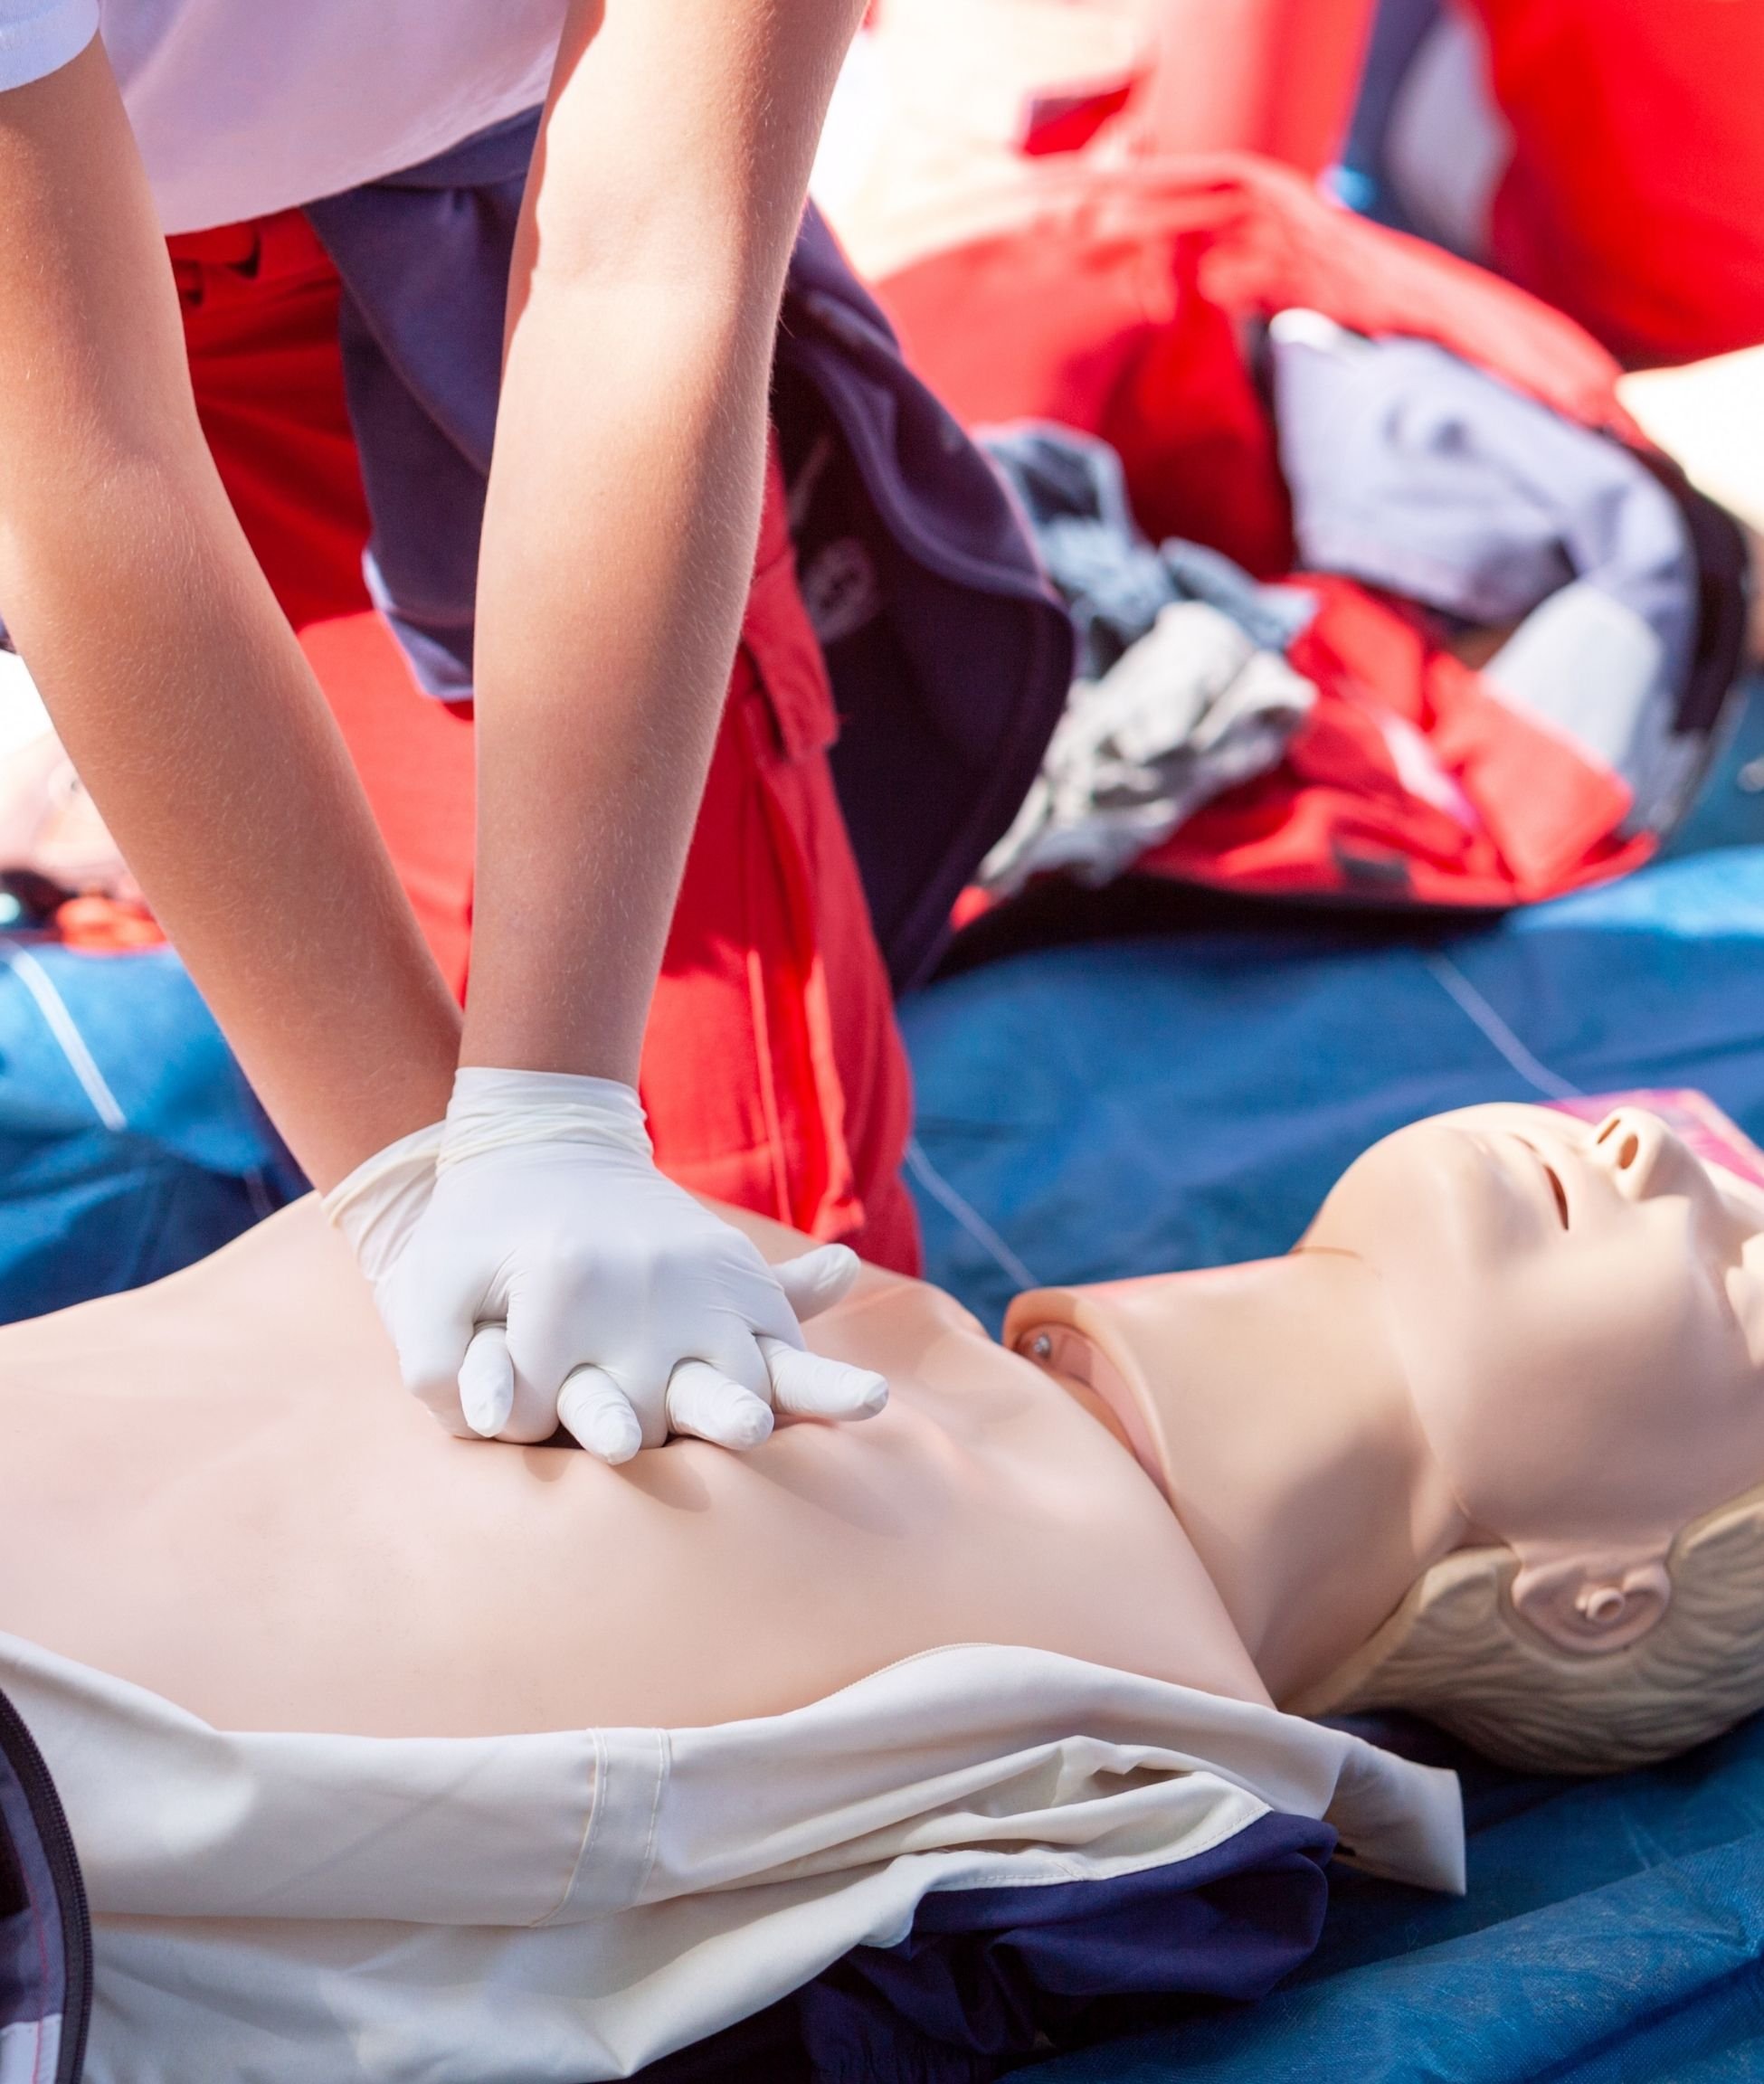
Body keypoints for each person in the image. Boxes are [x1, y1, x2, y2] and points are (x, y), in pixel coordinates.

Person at [8, 1095, 1764, 2075]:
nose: (1670, 1160)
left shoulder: (1145, 1815)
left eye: (1753, 1280)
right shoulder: (788, 1272)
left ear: (1596, 1598)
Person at [0, 5, 1071, 1464]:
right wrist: (403, 1190)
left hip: (499, 245)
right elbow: (79, 466)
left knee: (734, 1274)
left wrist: (545, 1119)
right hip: (53, 322)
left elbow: (641, 268)